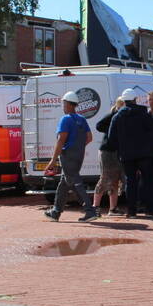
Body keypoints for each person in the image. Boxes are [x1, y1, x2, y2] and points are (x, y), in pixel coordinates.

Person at [44, 91, 98, 222]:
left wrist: (53, 160)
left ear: (68, 104)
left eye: (64, 103)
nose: (63, 106)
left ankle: (90, 211)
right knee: (64, 183)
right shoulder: (82, 119)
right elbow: (89, 138)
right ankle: (56, 212)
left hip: (68, 156)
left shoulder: (65, 119)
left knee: (76, 182)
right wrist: (78, 147)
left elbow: (61, 140)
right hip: (78, 155)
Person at [107, 88, 153, 218]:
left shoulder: (117, 116)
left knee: (130, 182)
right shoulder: (144, 113)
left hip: (126, 154)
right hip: (145, 153)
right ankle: (150, 209)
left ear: (124, 101)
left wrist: (119, 148)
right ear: (135, 99)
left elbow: (111, 138)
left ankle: (132, 211)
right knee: (147, 180)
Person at [93, 97, 125, 216]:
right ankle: (95, 207)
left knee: (115, 179)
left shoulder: (124, 117)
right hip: (107, 151)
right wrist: (110, 130)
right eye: (123, 104)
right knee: (105, 178)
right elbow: (99, 125)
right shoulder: (113, 115)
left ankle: (113, 209)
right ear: (119, 105)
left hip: (117, 151)